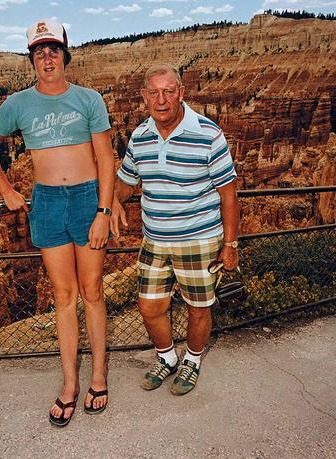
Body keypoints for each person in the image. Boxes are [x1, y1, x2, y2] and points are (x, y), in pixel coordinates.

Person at [0, 19, 114, 426]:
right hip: (49, 203)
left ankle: (100, 376)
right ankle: (70, 384)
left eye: (53, 50)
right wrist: (5, 189)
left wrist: (104, 211)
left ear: (65, 55)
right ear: (32, 59)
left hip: (88, 199)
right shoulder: (18, 103)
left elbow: (106, 158)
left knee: (92, 292)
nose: (47, 57)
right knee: (64, 296)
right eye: (39, 51)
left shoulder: (89, 99)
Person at [110, 64, 239, 396]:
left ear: (181, 93)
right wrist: (113, 202)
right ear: (144, 97)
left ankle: (192, 361)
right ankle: (167, 357)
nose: (161, 100)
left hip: (199, 240)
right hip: (154, 241)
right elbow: (125, 182)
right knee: (150, 307)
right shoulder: (140, 136)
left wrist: (231, 243)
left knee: (198, 308)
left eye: (168, 91)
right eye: (154, 92)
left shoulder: (208, 133)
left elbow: (228, 194)